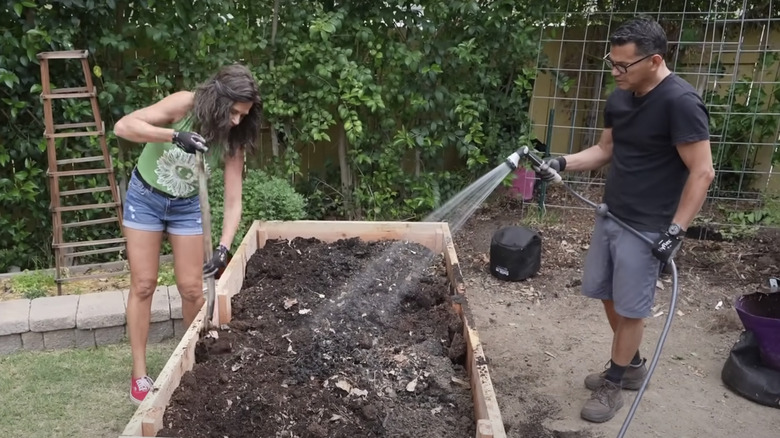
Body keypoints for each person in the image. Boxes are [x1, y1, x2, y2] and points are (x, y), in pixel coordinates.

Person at [535, 17, 714, 423]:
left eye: (623, 66)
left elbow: (702, 172)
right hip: (612, 214)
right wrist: (562, 161)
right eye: (611, 64)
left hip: (649, 226)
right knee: (605, 292)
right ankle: (630, 364)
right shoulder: (620, 96)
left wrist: (676, 231)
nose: (615, 72)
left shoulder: (680, 103)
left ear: (654, 60)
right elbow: (605, 150)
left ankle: (615, 383)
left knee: (632, 309)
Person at [114, 64, 262, 404]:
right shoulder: (184, 105)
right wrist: (172, 136)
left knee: (193, 288)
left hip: (187, 207)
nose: (238, 120)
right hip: (146, 198)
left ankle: (194, 362)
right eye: (234, 112)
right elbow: (124, 126)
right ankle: (139, 374)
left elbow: (233, 199)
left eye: (244, 114)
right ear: (218, 99)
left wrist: (224, 248)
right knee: (144, 283)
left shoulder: (233, 139)